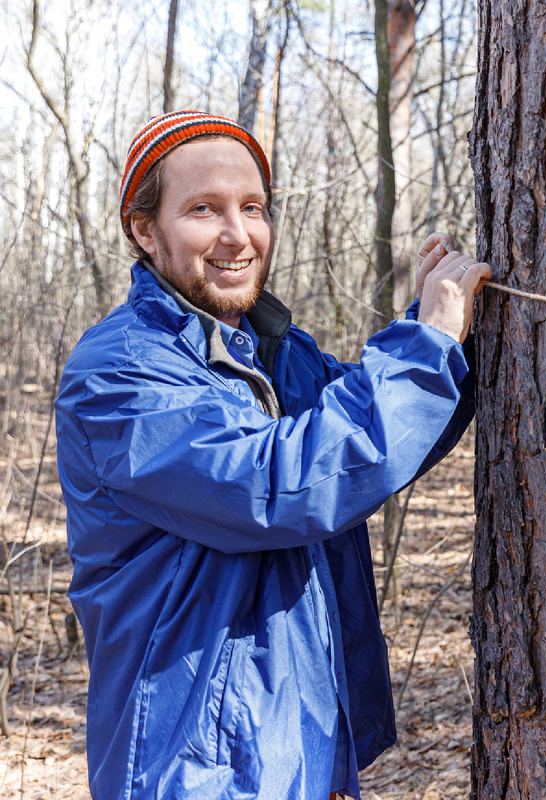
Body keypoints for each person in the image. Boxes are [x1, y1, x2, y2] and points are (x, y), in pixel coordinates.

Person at [55, 111, 491, 799]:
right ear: (145, 230)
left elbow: (381, 441)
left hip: (298, 745)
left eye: (252, 208)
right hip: (197, 768)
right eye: (203, 210)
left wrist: (449, 336)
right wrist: (425, 346)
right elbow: (283, 483)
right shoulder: (119, 375)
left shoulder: (274, 350)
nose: (238, 235)